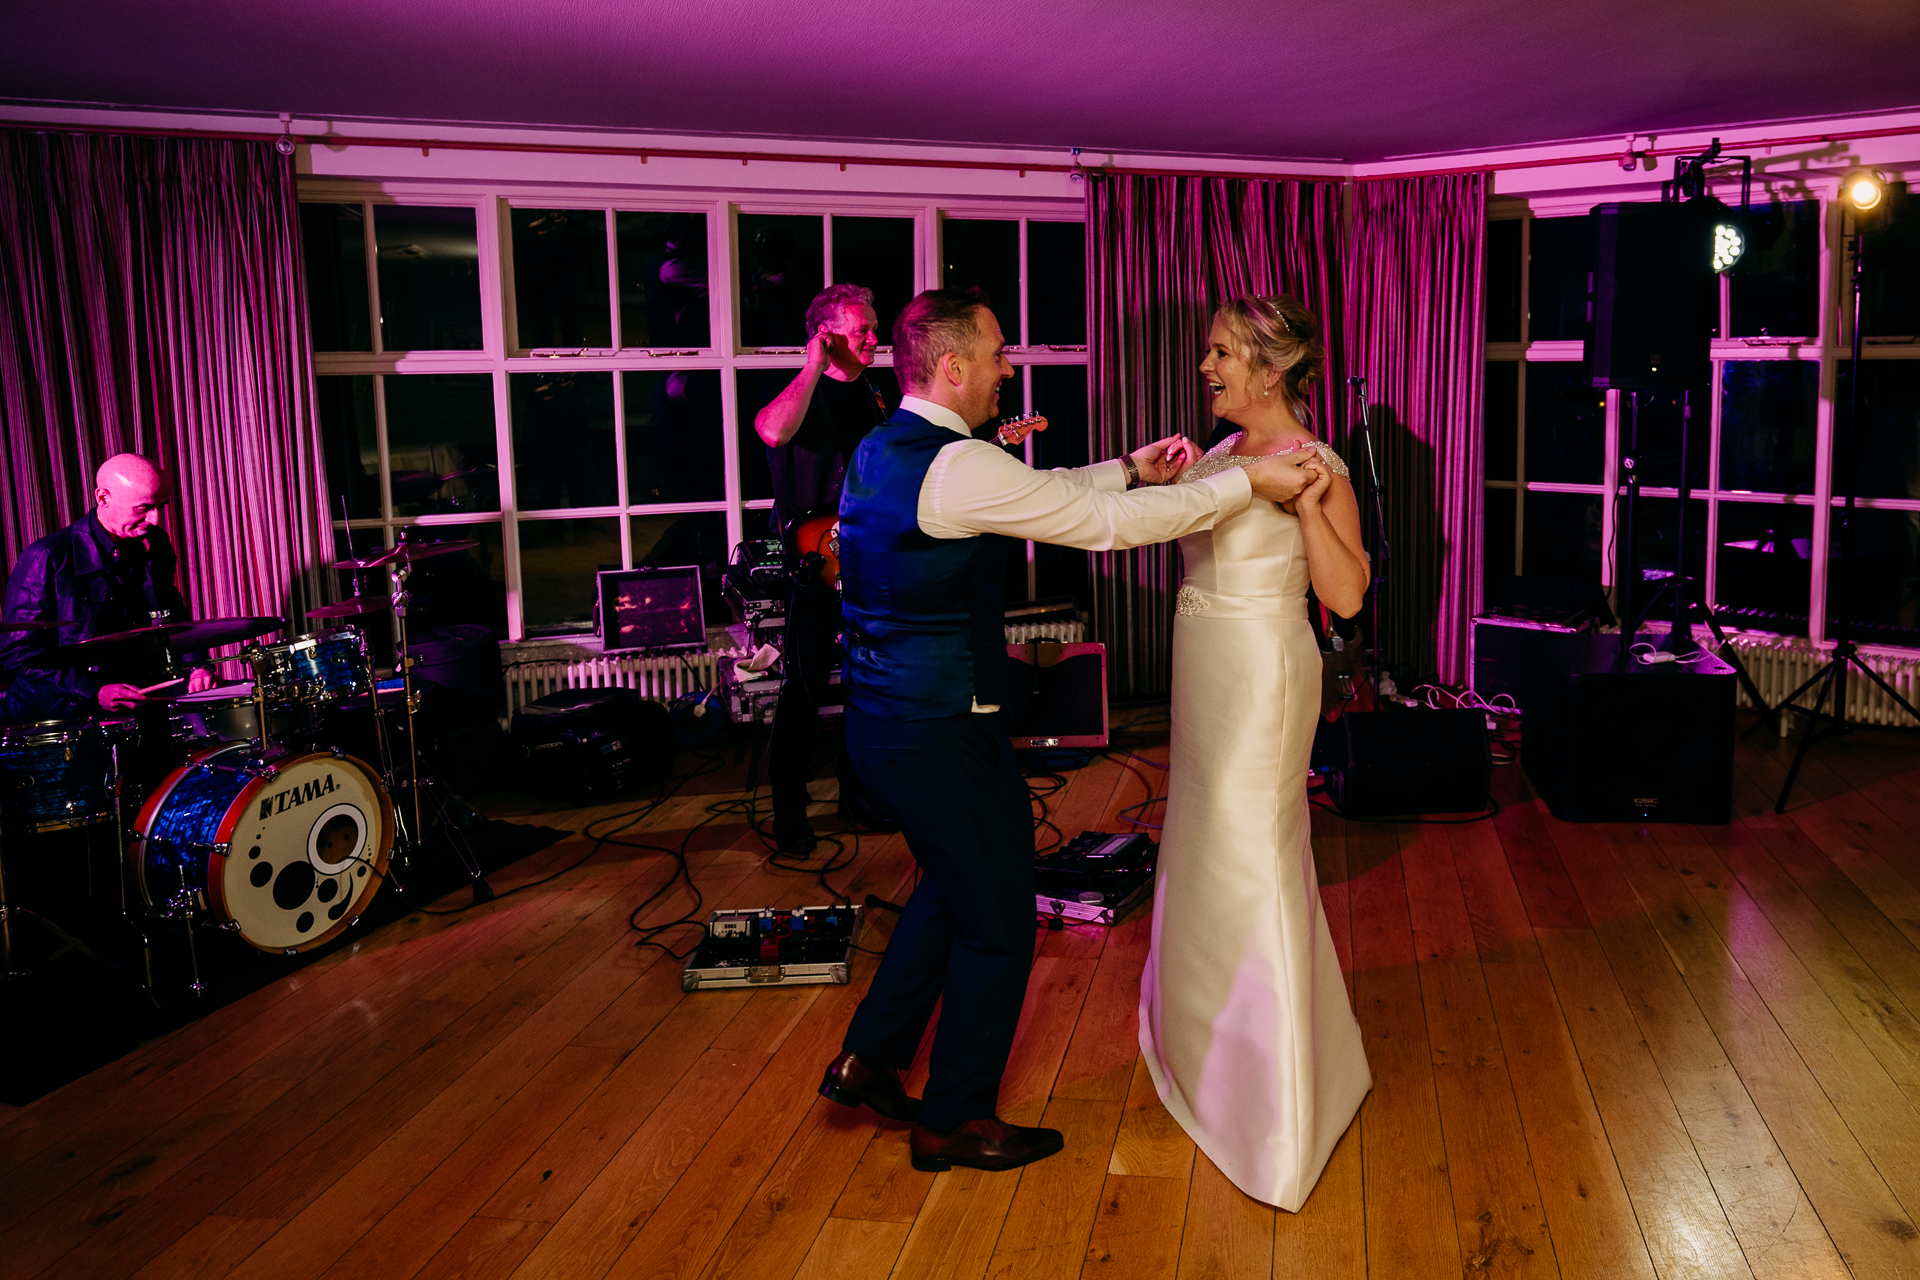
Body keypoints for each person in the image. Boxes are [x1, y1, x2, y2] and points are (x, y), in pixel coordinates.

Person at [816, 287, 1321, 1174]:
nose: (1010, 368)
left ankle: (871, 1056)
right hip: (941, 731)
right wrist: (1244, 480)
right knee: (1000, 920)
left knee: (950, 882)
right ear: (954, 366)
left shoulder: (886, 448)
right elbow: (1104, 530)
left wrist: (1128, 467)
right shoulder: (956, 463)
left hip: (880, 724)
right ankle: (954, 1121)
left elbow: (1042, 493)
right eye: (999, 353)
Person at [1138, 294, 1373, 1211]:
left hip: (1266, 674)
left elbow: (1347, 598)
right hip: (1203, 668)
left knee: (1256, 856)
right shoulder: (1225, 455)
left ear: (1272, 370)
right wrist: (1167, 489)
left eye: (1221, 354)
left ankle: (1275, 1101)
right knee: (1201, 844)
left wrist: (1314, 506)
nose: (1207, 369)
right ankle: (1202, 1040)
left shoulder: (1313, 460)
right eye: (1209, 354)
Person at [752, 283, 890, 853]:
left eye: (874, 328)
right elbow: (773, 430)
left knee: (869, 681)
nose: (874, 338)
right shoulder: (795, 393)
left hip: (869, 557)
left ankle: (861, 791)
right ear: (827, 334)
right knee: (804, 686)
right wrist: (811, 366)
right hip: (813, 562)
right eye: (862, 329)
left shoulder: (879, 397)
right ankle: (789, 806)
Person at [1, 454, 215, 723]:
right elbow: (17, 652)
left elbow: (172, 615)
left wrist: (196, 665)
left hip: (134, 703)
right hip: (55, 715)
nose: (155, 519)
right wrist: (94, 689)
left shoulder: (154, 542)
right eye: (143, 508)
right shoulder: (47, 556)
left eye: (161, 506)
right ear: (103, 498)